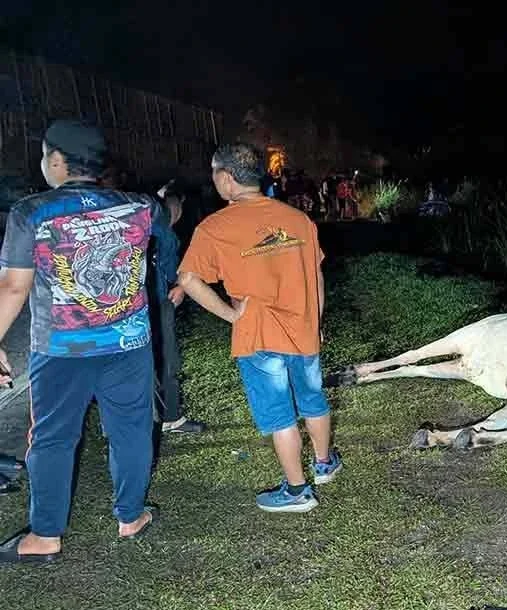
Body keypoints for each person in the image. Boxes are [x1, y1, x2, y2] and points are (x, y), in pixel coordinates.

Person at [0, 120, 159, 563]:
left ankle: (46, 536)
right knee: (130, 430)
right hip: (129, 343)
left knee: (52, 437)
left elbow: (13, 287)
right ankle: (131, 516)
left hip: (61, 348)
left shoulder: (31, 212)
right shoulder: (141, 206)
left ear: (56, 160)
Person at [177, 143, 340, 513]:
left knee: (280, 413)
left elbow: (188, 278)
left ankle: (298, 491)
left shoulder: (215, 227)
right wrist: (316, 322)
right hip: (303, 329)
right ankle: (324, 463)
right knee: (312, 398)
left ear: (226, 178)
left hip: (258, 335)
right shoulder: (298, 219)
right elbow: (316, 276)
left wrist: (230, 315)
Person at [148, 188, 207, 434]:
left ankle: (157, 417)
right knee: (166, 359)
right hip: (158, 303)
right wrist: (180, 286)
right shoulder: (166, 233)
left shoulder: (139, 227)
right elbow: (172, 272)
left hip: (133, 305)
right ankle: (168, 416)